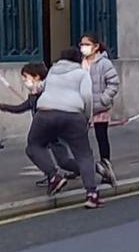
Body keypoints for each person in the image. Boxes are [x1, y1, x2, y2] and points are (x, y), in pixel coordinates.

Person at [28, 47, 102, 209]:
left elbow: (40, 87)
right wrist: (87, 117)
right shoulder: (82, 74)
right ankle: (92, 194)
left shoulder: (53, 71)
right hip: (72, 116)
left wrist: (33, 88)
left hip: (45, 114)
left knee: (34, 146)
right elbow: (87, 97)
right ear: (78, 60)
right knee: (83, 154)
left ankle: (54, 176)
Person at [1, 62, 80, 187]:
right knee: (63, 161)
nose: (24, 81)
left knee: (33, 148)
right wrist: (1, 106)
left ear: (36, 77)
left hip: (52, 129)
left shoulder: (46, 92)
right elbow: (22, 107)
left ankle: (53, 176)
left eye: (26, 78)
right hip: (54, 131)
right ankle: (95, 167)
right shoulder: (34, 94)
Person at [80, 33, 120, 188]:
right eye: (81, 44)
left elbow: (113, 83)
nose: (83, 47)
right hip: (83, 107)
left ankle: (106, 167)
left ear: (95, 46)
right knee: (80, 139)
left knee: (101, 137)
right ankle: (81, 168)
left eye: (86, 44)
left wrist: (104, 99)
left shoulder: (104, 64)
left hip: (99, 107)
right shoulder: (80, 63)